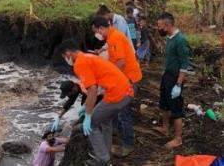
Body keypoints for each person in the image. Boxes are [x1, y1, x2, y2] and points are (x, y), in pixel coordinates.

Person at [58, 39, 134, 166]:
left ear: (68, 53)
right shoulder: (89, 56)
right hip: (126, 91)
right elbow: (98, 84)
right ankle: (106, 152)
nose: (66, 59)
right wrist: (88, 106)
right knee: (105, 121)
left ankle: (103, 159)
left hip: (117, 94)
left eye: (64, 57)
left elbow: (92, 89)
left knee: (92, 123)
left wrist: (88, 115)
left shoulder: (80, 63)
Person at [92, 16, 142, 157]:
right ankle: (122, 139)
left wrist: (109, 78)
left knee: (124, 113)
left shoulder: (115, 38)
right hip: (125, 79)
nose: (96, 35)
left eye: (96, 31)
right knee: (119, 113)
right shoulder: (111, 37)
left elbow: (120, 63)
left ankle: (128, 145)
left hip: (129, 80)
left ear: (101, 29)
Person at [154, 12, 189, 149]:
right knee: (163, 104)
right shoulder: (169, 37)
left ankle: (178, 138)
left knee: (176, 109)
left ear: (168, 25)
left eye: (160, 26)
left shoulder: (180, 40)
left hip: (175, 79)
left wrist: (179, 84)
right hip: (167, 76)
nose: (158, 29)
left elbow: (184, 65)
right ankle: (165, 128)